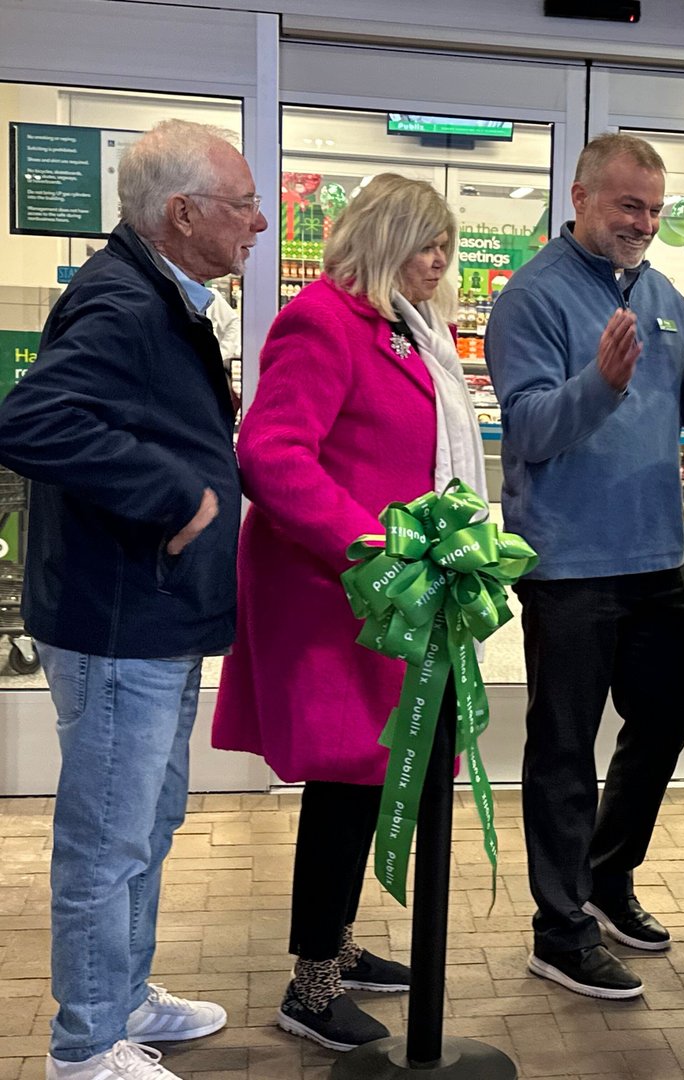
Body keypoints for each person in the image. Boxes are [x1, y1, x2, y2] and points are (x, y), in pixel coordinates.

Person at [0, 119, 265, 1080]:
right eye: (242, 206)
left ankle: (125, 997)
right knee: (107, 839)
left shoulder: (164, 294)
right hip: (117, 621)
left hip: (154, 615)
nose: (263, 222)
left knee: (148, 821)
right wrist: (173, 493)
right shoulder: (120, 300)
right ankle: (83, 1046)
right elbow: (30, 421)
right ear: (181, 213)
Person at [212, 174, 483, 1049]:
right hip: (338, 591)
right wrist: (372, 546)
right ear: (378, 237)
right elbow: (273, 455)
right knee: (348, 779)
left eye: (444, 247)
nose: (438, 262)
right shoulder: (323, 319)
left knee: (374, 778)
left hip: (389, 593)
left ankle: (336, 943)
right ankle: (311, 985)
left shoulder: (411, 329)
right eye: (423, 243)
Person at [485, 132, 684, 1000]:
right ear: (581, 196)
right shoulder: (531, 297)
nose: (642, 222)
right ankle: (557, 931)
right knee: (563, 749)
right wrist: (598, 384)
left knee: (665, 726)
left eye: (653, 209)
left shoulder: (664, 294)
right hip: (568, 566)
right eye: (628, 204)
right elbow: (525, 430)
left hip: (658, 559)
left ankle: (605, 877)